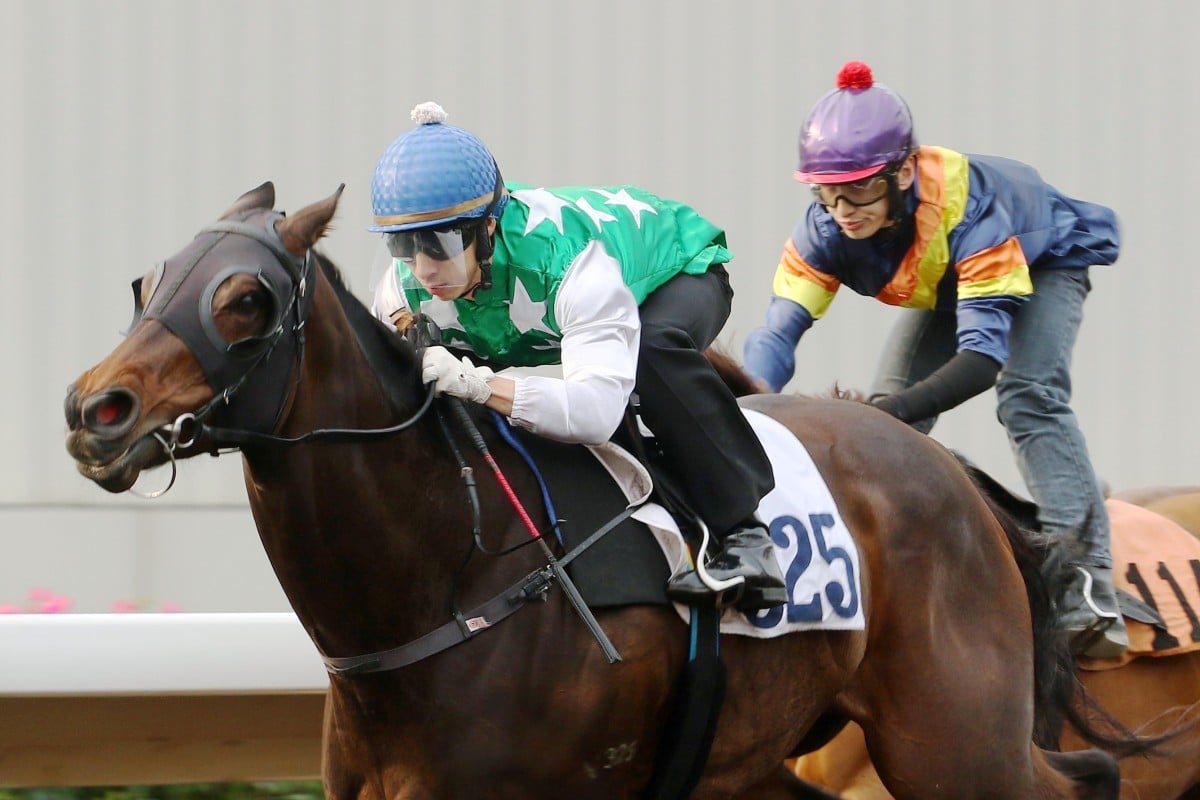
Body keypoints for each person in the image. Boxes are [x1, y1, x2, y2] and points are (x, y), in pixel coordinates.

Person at [741, 61, 1126, 658]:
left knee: (1028, 396)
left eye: (861, 186)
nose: (843, 208)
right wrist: (747, 400)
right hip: (951, 280)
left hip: (1043, 258)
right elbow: (778, 332)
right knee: (890, 428)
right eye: (827, 189)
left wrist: (883, 412)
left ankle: (1088, 584)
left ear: (901, 173)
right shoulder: (823, 228)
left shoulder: (969, 212)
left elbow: (980, 361)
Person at [369, 102, 786, 611]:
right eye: (403, 245)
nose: (423, 267)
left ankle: (747, 537)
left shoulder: (568, 265)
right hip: (529, 302)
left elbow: (594, 413)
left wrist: (480, 386)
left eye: (440, 242)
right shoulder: (401, 290)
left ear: (488, 228)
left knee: (649, 355)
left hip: (674, 269)